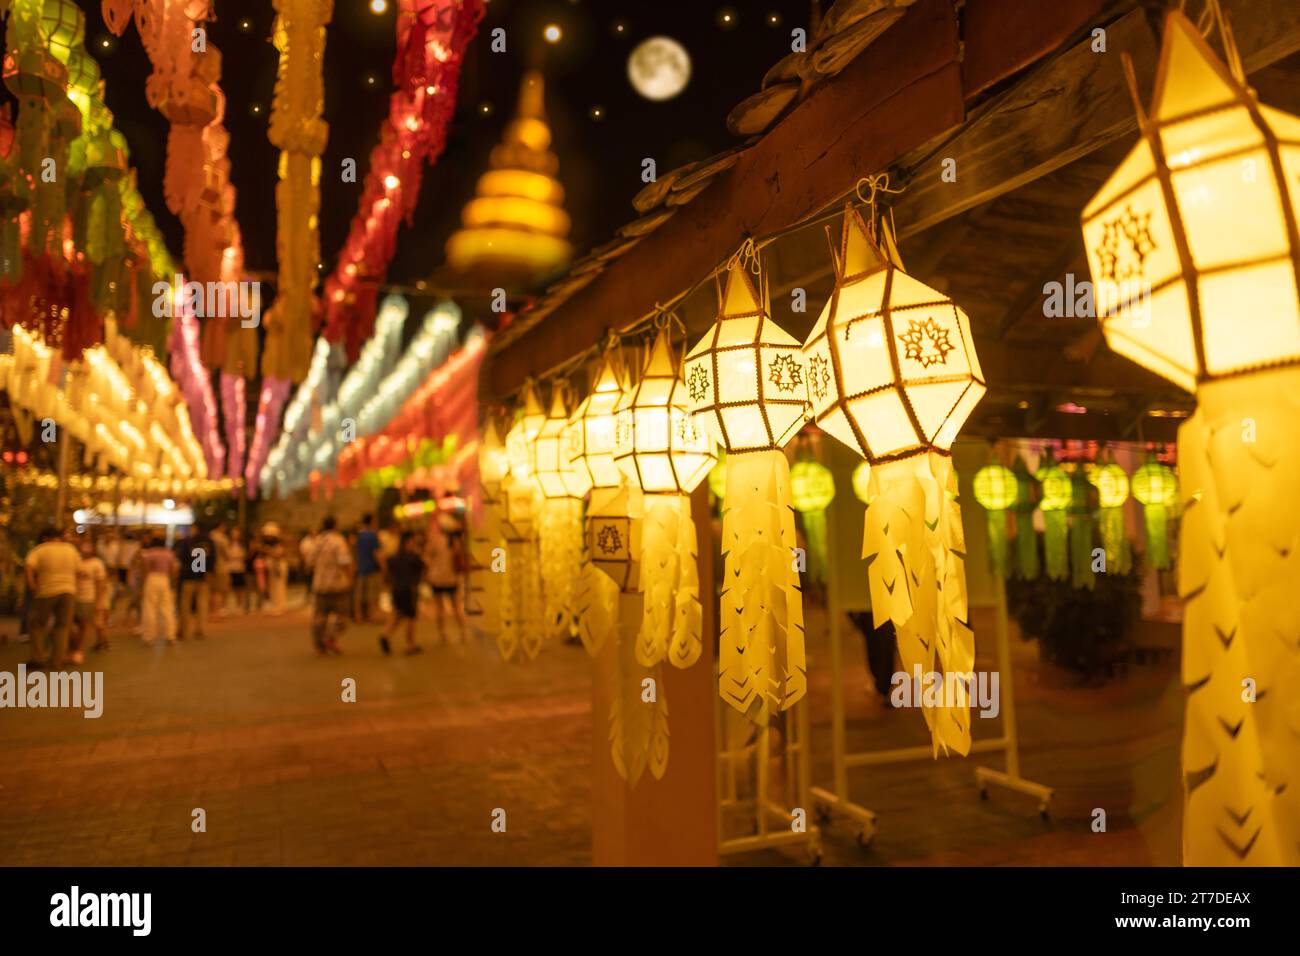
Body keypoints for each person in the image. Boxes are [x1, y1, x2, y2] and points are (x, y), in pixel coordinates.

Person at [24, 528, 80, 668]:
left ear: (45, 537)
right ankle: (57, 660)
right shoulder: (70, 549)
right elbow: (79, 570)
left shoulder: (40, 549)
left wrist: (32, 585)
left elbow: (28, 567)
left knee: (37, 625)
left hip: (46, 591)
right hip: (68, 591)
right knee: (62, 626)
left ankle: (38, 658)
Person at [311, 516, 352, 655]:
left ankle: (319, 646)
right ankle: (330, 638)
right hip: (336, 584)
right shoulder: (338, 540)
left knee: (320, 617)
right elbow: (344, 561)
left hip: (319, 584)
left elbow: (309, 561)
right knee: (343, 615)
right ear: (335, 525)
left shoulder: (317, 541)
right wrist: (350, 577)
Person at [380, 531, 425, 655]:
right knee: (410, 617)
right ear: (408, 542)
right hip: (409, 590)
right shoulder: (414, 557)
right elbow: (423, 569)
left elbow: (388, 569)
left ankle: (385, 635)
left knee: (397, 614)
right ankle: (410, 644)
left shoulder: (395, 557)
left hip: (396, 589)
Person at [424, 520, 464, 644]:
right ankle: (462, 631)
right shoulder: (455, 542)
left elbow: (426, 557)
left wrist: (430, 569)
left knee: (439, 608)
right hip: (451, 578)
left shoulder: (435, 541)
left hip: (436, 578)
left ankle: (442, 634)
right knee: (455, 607)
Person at [136, 533, 179, 645]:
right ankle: (171, 635)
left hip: (152, 579)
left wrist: (142, 586)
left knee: (150, 608)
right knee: (167, 608)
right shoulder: (169, 554)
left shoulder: (150, 554)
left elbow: (145, 570)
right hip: (165, 579)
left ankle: (149, 636)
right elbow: (173, 569)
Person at [174, 524, 215, 640]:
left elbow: (181, 557)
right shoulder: (209, 542)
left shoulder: (187, 541)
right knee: (202, 604)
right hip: (203, 576)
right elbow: (212, 559)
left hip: (188, 576)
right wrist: (208, 572)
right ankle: (200, 629)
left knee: (185, 604)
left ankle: (183, 629)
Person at [74, 537, 110, 658]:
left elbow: (101, 583)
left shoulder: (97, 563)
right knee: (95, 622)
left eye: (88, 547)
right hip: (81, 597)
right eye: (84, 546)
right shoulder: (77, 560)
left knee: (96, 622)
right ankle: (102, 642)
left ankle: (101, 642)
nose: (86, 549)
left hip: (93, 597)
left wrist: (99, 601)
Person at [353, 513, 382, 622]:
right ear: (371, 522)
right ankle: (371, 615)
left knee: (359, 594)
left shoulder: (358, 535)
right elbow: (376, 553)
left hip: (360, 567)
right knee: (371, 593)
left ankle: (358, 615)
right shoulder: (372, 535)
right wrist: (383, 566)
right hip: (371, 567)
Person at [261, 522, 289, 614]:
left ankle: (280, 606)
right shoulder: (267, 545)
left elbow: (278, 555)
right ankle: (274, 605)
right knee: (272, 586)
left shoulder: (278, 544)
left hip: (279, 566)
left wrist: (269, 551)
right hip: (271, 566)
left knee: (279, 586)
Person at [209, 521, 232, 618]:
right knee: (220, 590)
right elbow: (227, 555)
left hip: (208, 568)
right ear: (221, 527)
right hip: (221, 567)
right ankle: (218, 612)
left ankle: (212, 611)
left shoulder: (208, 537)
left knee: (212, 591)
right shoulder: (222, 538)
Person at [228, 527, 249, 613]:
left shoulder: (242, 544)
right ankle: (228, 605)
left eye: (237, 533)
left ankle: (239, 605)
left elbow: (244, 555)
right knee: (230, 587)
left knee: (240, 588)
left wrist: (237, 556)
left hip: (240, 568)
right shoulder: (228, 543)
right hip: (230, 568)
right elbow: (227, 555)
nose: (235, 535)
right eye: (233, 533)